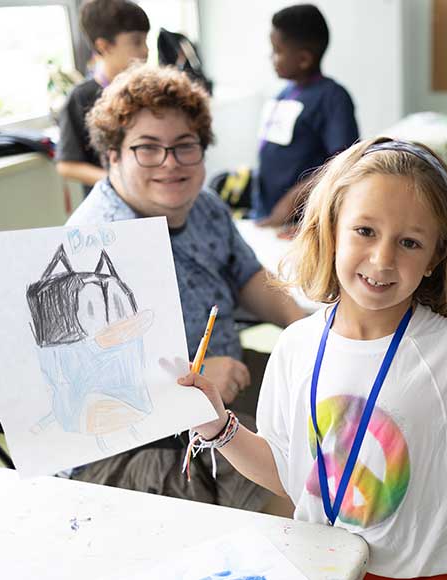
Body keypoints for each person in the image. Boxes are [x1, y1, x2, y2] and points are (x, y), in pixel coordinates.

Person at [179, 137, 447, 578]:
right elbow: (291, 475)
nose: (382, 258)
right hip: (324, 568)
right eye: (365, 231)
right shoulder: (296, 346)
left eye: (410, 242)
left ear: (437, 256)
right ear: (332, 227)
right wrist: (219, 427)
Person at [67, 64, 305, 514]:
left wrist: (303, 325)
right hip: (135, 443)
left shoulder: (204, 208)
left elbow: (245, 275)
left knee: (330, 418)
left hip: (222, 388)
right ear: (112, 155)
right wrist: (184, 389)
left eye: (184, 146)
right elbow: (84, 388)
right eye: (148, 149)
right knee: (300, 486)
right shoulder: (93, 247)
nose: (170, 162)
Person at [255, 3, 359, 226]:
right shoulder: (284, 94)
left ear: (303, 59)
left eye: (277, 51)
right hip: (267, 213)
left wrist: (290, 202)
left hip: (303, 220)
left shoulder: (332, 98)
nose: (271, 57)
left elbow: (342, 164)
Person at [55, 0, 149, 194]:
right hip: (110, 204)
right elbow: (66, 166)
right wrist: (119, 182)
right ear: (104, 46)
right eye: (137, 42)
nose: (146, 50)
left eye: (146, 41)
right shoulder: (81, 97)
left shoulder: (146, 90)